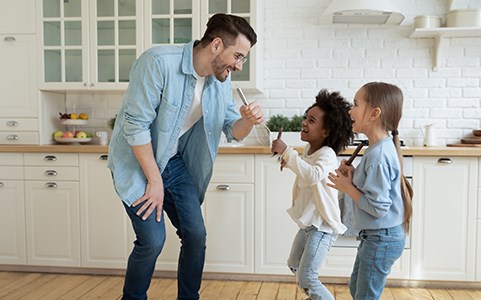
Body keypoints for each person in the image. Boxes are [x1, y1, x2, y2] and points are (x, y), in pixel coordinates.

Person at [107, 14, 262, 300]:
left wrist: (248, 121)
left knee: (195, 235)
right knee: (152, 241)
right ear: (216, 45)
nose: (239, 66)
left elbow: (233, 130)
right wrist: (154, 181)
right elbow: (136, 124)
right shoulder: (158, 62)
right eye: (238, 56)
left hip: (174, 163)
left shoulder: (220, 81)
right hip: (138, 162)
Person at [327, 82, 413, 300]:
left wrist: (347, 187)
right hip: (377, 236)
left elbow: (378, 207)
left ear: (374, 113)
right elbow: (374, 190)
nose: (350, 110)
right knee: (357, 289)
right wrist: (353, 177)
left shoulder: (378, 156)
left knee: (364, 295)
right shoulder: (377, 149)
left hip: (381, 238)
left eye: (355, 104)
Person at [271, 89, 354, 300]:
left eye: (311, 120)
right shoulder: (310, 151)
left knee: (307, 277)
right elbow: (305, 169)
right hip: (310, 224)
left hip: (322, 226)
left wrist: (287, 153)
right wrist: (290, 161)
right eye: (305, 118)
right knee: (294, 265)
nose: (304, 123)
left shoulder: (327, 155)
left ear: (325, 131)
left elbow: (312, 176)